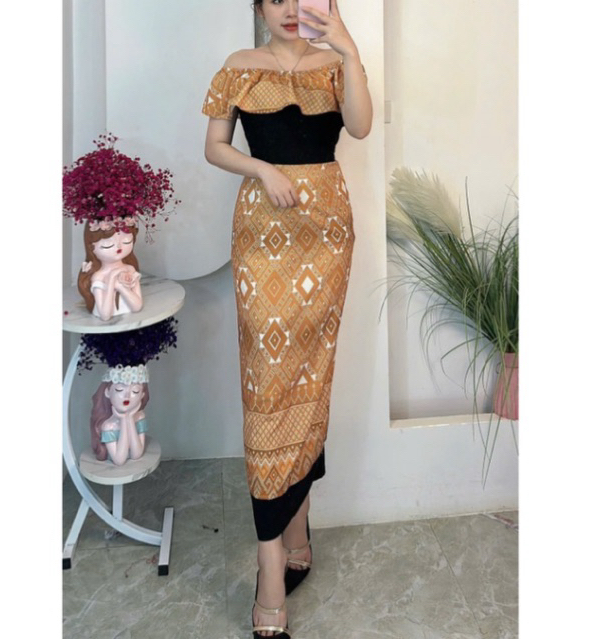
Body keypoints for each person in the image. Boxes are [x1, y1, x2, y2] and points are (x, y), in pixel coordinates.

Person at [202, 1, 372, 636]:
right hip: (262, 232)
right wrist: (261, 168)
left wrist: (350, 49)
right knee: (267, 383)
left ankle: (297, 529)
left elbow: (360, 127)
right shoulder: (239, 65)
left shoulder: (335, 63)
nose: (289, 9)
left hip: (326, 232)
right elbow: (215, 147)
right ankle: (271, 561)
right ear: (259, 7)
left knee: (311, 375)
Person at [77, 217, 144, 321]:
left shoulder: (130, 269)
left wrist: (120, 287)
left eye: (126, 241)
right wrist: (112, 279)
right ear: (91, 248)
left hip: (129, 320)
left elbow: (137, 307)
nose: (119, 247)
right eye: (108, 245)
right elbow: (105, 315)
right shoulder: (98, 276)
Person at [89, 365, 151, 466]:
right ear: (107, 392)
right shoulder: (109, 426)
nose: (127, 396)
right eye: (119, 389)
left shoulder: (139, 417)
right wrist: (123, 420)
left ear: (142, 395)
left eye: (135, 391)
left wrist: (129, 419)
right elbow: (119, 460)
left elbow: (136, 454)